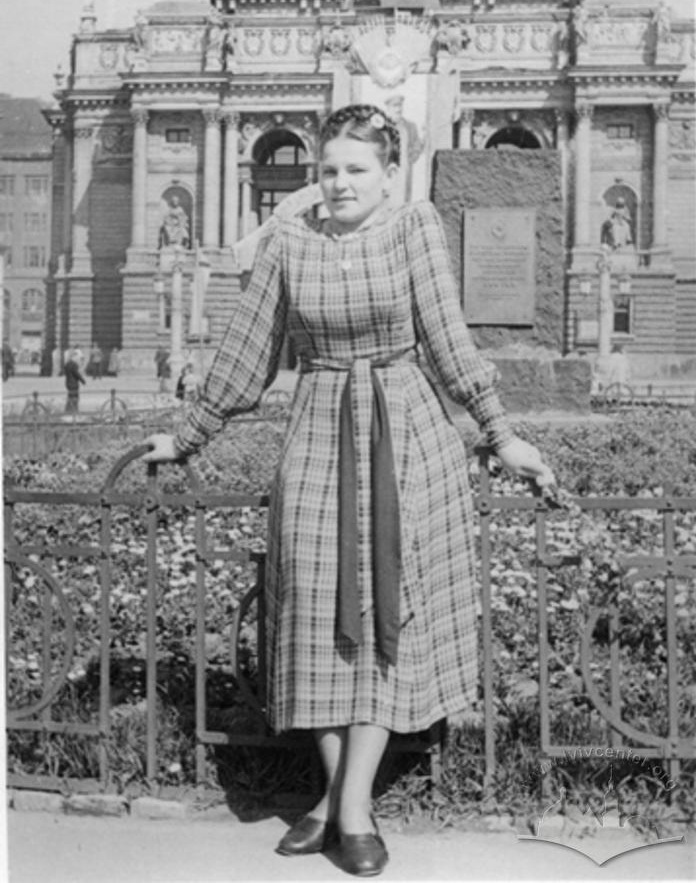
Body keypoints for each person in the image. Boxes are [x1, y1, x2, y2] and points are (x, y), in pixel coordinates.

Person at [143, 104, 554, 877]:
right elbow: (246, 352)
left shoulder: (414, 229)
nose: (337, 183)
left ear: (390, 174)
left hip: (407, 433)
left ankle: (350, 807)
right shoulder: (289, 243)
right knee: (310, 607)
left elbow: (448, 338)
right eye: (327, 169)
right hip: (317, 430)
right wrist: (188, 431)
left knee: (382, 608)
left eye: (356, 169)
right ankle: (336, 797)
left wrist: (501, 434)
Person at [64, 349, 85, 414]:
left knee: (70, 396)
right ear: (73, 357)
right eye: (76, 357)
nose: (77, 359)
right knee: (75, 397)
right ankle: (74, 410)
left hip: (68, 382)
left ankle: (68, 410)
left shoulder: (67, 364)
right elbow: (76, 374)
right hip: (73, 383)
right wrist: (82, 380)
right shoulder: (74, 364)